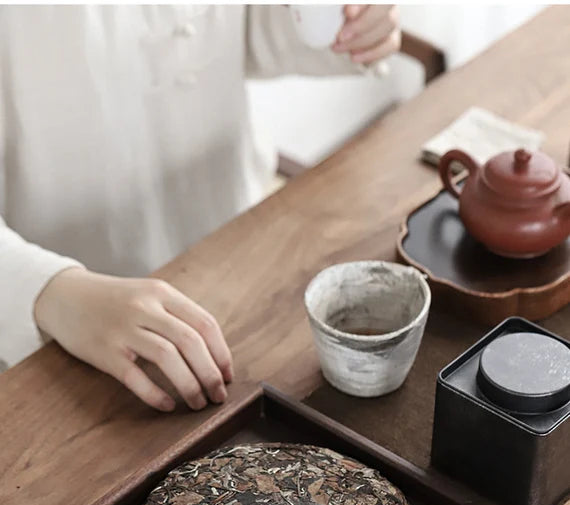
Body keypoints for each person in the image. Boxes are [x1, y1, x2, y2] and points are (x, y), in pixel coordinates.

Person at [0, 4, 400, 410]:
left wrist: (346, 31)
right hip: (61, 331)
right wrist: (50, 290)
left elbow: (235, 29)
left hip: (238, 248)